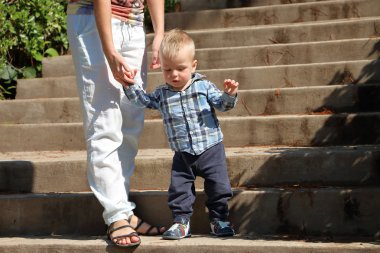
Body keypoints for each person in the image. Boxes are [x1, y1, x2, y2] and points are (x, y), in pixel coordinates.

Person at [123, 28, 239, 240]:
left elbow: (222, 105)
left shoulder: (203, 86)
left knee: (219, 187)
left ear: (193, 66)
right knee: (179, 190)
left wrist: (229, 94)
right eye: (167, 70)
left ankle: (219, 219)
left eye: (180, 68)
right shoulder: (162, 93)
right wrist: (130, 85)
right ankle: (180, 222)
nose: (174, 75)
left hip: (211, 148)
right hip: (182, 153)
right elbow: (143, 101)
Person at [66, 0, 165, 248]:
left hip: (133, 22)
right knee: (104, 121)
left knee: (131, 121)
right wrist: (109, 52)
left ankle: (121, 206)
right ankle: (116, 214)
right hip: (92, 20)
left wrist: (160, 32)